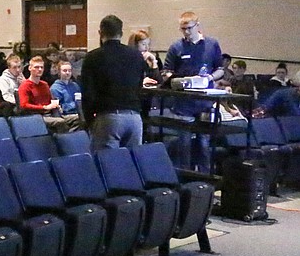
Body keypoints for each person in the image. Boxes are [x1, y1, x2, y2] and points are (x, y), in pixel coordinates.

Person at [162, 10, 225, 170]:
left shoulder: (212, 44)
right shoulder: (176, 47)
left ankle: (204, 180)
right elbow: (166, 72)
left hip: (205, 102)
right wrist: (177, 80)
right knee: (184, 145)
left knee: (204, 144)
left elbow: (220, 69)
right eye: (183, 29)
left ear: (198, 26)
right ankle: (186, 180)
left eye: (189, 28)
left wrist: (210, 78)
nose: (187, 32)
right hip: (184, 104)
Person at [80, 14, 146, 150]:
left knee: (108, 165)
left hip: (109, 117)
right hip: (134, 118)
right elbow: (140, 87)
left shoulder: (93, 57)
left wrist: (90, 121)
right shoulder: (136, 55)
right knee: (133, 164)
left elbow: (87, 92)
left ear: (100, 33)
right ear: (121, 33)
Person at [18, 56, 80, 132]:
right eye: (36, 67)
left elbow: (51, 100)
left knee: (81, 117)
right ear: (30, 68)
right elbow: (24, 105)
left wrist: (56, 106)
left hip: (51, 113)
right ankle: (64, 139)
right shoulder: (25, 85)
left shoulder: (44, 84)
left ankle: (71, 137)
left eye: (41, 67)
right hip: (36, 116)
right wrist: (44, 107)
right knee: (60, 122)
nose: (40, 69)